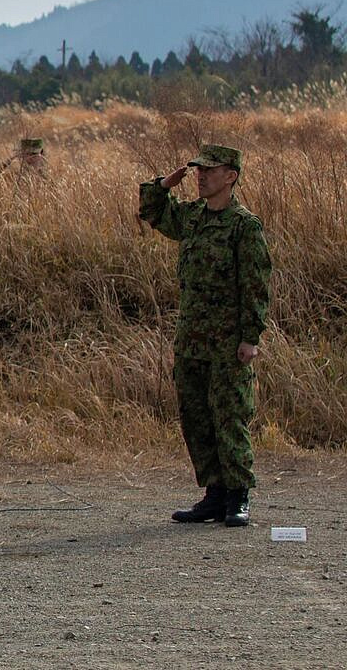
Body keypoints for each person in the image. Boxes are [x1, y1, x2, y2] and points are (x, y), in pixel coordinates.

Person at [138, 144, 271, 527]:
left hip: (228, 341)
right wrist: (164, 184)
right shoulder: (193, 217)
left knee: (230, 416)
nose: (201, 176)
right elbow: (151, 212)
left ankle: (237, 495)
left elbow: (256, 286)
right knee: (195, 417)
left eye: (209, 171)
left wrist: (251, 337)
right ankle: (213, 493)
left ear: (230, 176)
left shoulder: (244, 226)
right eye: (198, 170)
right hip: (193, 338)